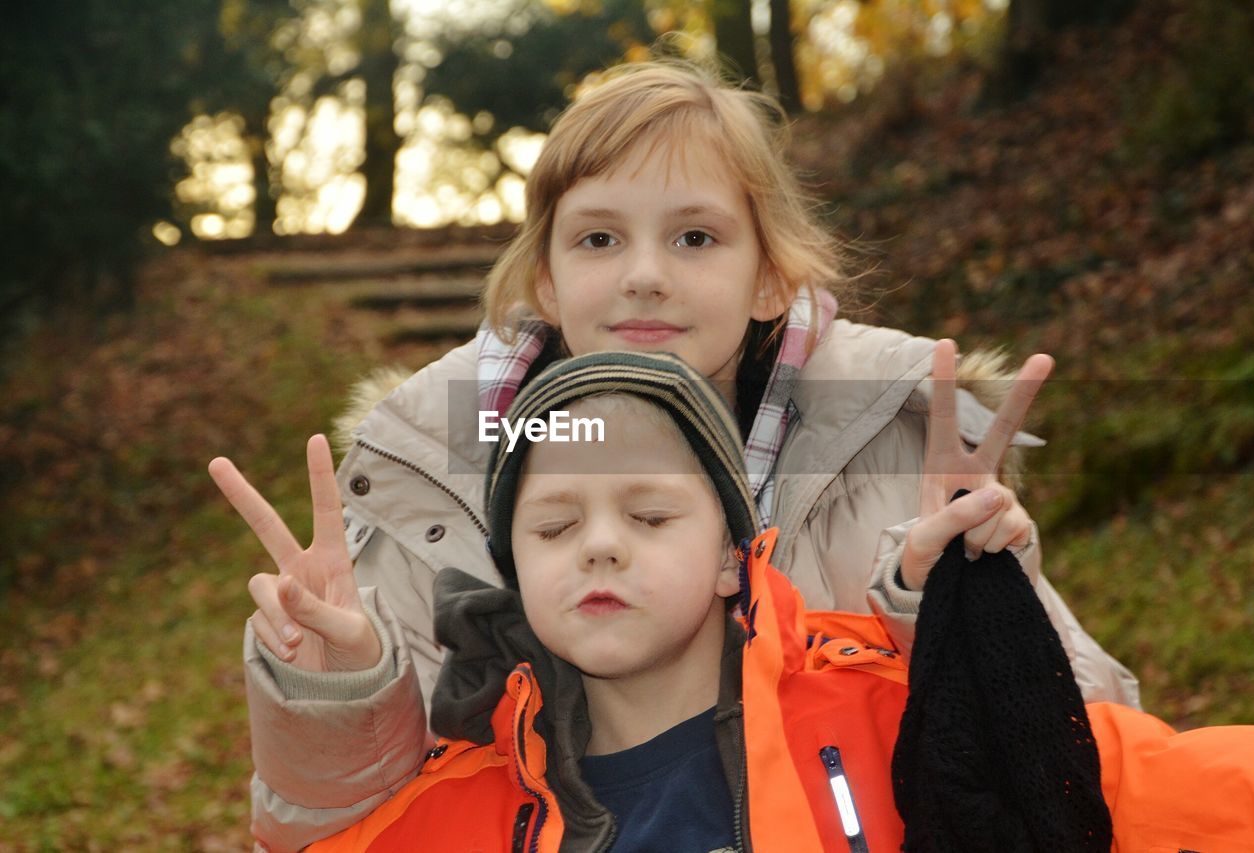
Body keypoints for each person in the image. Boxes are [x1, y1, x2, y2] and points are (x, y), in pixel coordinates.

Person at [208, 60, 1140, 850]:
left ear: (771, 272)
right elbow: (340, 831)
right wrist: (333, 693)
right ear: (546, 274)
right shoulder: (442, 473)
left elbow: (1090, 755)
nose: (644, 272)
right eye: (599, 237)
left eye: (695, 236)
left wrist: (968, 605)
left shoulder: (888, 445)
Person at [297, 351, 1254, 852]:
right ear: (512, 571)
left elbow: (1174, 789)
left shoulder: (893, 721)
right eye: (553, 527)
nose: (599, 541)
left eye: (646, 515)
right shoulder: (457, 811)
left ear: (734, 556)